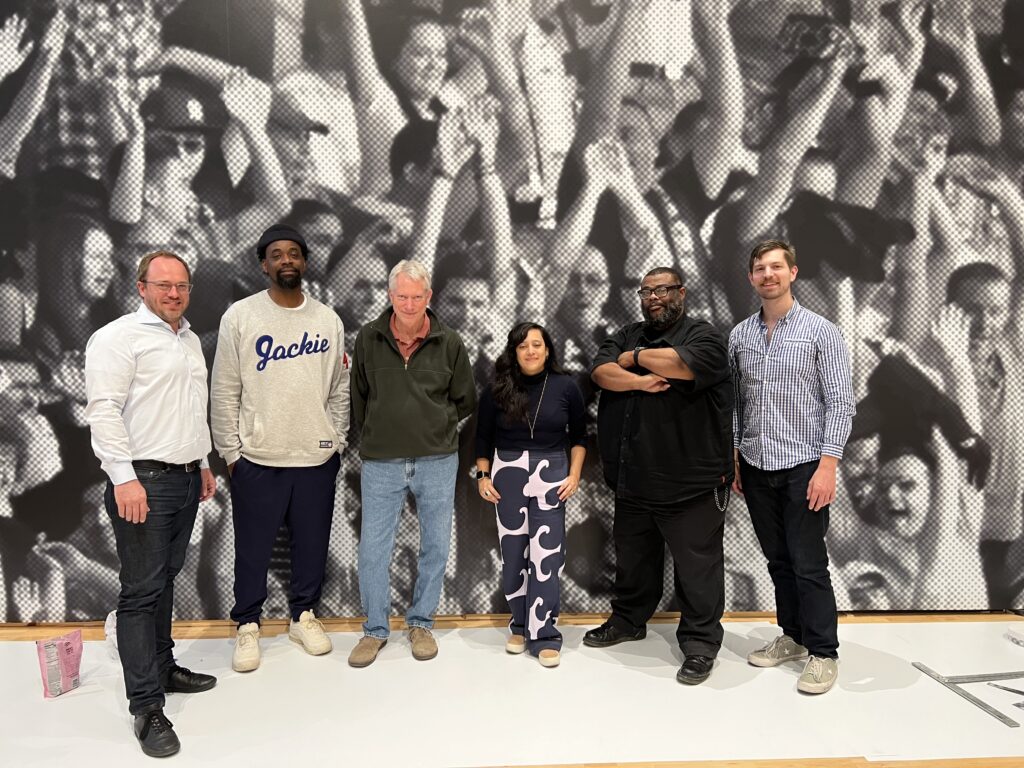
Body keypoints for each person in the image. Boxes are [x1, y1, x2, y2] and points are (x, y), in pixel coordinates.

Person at [83, 250, 217, 758]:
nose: (174, 293)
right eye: (163, 285)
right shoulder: (118, 338)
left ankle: (163, 668)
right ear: (141, 287)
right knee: (140, 592)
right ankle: (146, 707)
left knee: (165, 580)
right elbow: (103, 411)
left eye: (181, 285)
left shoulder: (188, 340)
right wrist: (124, 478)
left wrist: (203, 463)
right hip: (143, 482)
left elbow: (192, 409)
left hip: (184, 478)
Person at [210, 223, 349, 673]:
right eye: (276, 254)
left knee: (312, 546)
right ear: (263, 265)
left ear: (304, 262)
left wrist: (336, 441)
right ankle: (247, 624)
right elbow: (224, 389)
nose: (286, 260)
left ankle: (303, 616)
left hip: (315, 457)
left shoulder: (327, 319)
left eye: (294, 253)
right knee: (252, 550)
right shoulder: (241, 316)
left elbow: (340, 388)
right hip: (258, 458)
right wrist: (232, 453)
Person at [587, 265, 734, 686]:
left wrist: (633, 360)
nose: (654, 297)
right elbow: (601, 372)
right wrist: (638, 382)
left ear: (681, 293)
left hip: (692, 485)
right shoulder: (625, 332)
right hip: (633, 480)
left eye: (663, 290)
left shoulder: (705, 336)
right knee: (632, 562)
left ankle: (701, 644)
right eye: (646, 291)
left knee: (697, 571)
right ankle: (628, 620)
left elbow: (683, 365)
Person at [730, 239, 856, 695]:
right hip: (756, 464)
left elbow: (841, 403)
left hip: (805, 465)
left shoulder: (822, 332)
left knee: (808, 563)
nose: (768, 275)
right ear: (751, 278)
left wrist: (828, 464)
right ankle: (793, 635)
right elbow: (737, 404)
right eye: (760, 268)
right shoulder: (739, 336)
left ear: (793, 272)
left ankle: (823, 652)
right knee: (778, 561)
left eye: (776, 267)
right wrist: (736, 455)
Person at [349, 259, 476, 667]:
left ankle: (421, 623)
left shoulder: (450, 341)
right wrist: (379, 432)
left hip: (437, 459)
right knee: (373, 548)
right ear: (391, 296)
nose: (408, 304)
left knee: (436, 545)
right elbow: (359, 396)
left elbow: (465, 399)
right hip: (381, 461)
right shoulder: (368, 338)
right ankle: (375, 629)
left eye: (416, 297)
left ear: (428, 296)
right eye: (401, 296)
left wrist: (434, 428)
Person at [475, 322, 586, 667]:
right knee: (513, 554)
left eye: (537, 344)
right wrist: (483, 475)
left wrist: (574, 475)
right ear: (514, 352)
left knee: (547, 556)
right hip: (507, 473)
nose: (531, 351)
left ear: (547, 350)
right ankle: (520, 627)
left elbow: (579, 436)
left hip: (551, 473)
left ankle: (545, 634)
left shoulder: (567, 386)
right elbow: (482, 437)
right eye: (523, 346)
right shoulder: (497, 388)